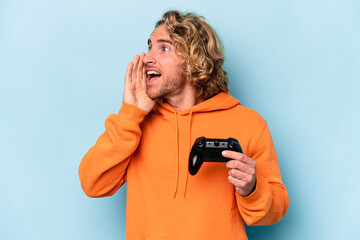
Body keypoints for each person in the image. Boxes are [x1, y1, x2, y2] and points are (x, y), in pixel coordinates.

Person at [79, 10, 289, 240]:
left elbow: (276, 209)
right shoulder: (135, 122)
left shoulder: (249, 124)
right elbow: (92, 183)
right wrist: (131, 114)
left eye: (163, 48)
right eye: (149, 46)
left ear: (194, 59)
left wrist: (252, 189)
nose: (147, 57)